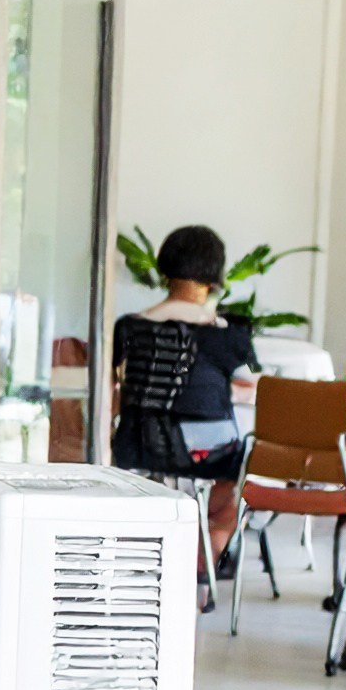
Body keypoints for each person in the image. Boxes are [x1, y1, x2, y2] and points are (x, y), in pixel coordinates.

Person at [110, 224, 257, 588]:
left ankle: (152, 564)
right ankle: (199, 573)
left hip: (136, 446)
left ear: (165, 269)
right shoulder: (225, 333)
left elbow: (115, 389)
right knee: (231, 494)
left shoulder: (129, 327)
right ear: (214, 276)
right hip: (207, 454)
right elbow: (249, 388)